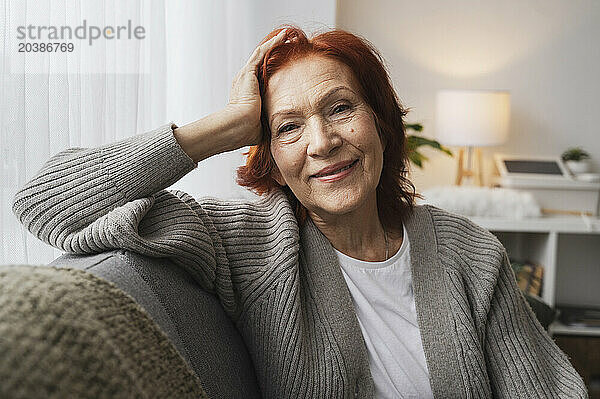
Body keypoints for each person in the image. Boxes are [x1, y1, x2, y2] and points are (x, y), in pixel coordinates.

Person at [12, 26, 587, 399]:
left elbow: (547, 389)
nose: (320, 142)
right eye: (288, 127)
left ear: (380, 121)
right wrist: (228, 126)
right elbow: (44, 202)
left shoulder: (470, 252)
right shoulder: (249, 243)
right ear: (270, 154)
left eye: (340, 109)